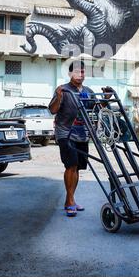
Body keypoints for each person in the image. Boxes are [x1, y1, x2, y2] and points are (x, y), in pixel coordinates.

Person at [49, 60, 112, 217]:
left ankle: (70, 200)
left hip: (82, 134)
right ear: (70, 74)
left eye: (83, 72)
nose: (80, 74)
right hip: (65, 133)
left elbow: (98, 109)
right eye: (77, 72)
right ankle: (70, 201)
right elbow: (52, 110)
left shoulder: (88, 91)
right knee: (71, 165)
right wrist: (58, 96)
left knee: (77, 168)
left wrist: (106, 98)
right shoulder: (63, 90)